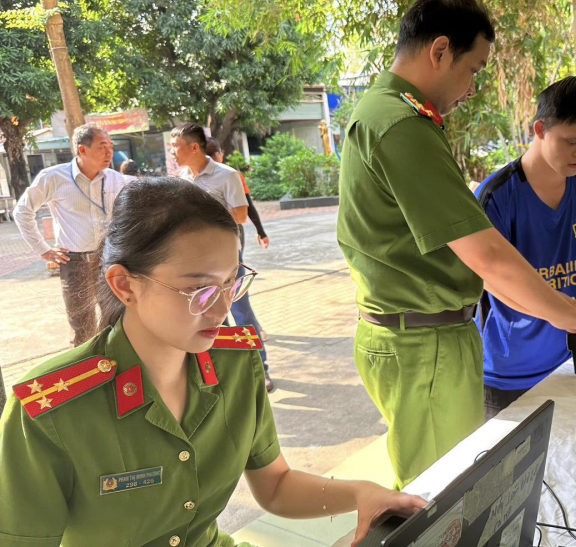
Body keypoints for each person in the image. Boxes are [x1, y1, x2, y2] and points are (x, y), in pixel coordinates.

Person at [0, 177, 424, 547]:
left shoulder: (235, 364)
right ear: (125, 285)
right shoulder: (51, 411)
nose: (222, 310)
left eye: (231, 283)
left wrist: (361, 494)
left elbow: (275, 485)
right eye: (199, 290)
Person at [337, 0, 576, 489]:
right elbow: (487, 256)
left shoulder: (389, 113)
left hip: (431, 335)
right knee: (438, 495)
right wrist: (573, 315)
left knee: (454, 484)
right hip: (423, 341)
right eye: (474, 69)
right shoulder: (400, 124)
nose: (471, 88)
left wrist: (572, 317)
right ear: (440, 50)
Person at [476, 76, 576, 418]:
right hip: (509, 371)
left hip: (568, 360)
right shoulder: (497, 196)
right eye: (571, 141)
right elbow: (491, 279)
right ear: (540, 129)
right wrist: (564, 315)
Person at [171, 124, 274, 392]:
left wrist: (203, 218)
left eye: (176, 147)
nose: (172, 152)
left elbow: (240, 215)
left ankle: (260, 368)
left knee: (240, 312)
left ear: (194, 147)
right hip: (195, 260)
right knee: (210, 316)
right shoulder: (182, 179)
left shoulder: (226, 175)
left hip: (226, 258)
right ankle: (223, 370)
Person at [13, 124, 134, 346]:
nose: (109, 152)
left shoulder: (115, 179)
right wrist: (43, 249)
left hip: (108, 260)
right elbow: (22, 211)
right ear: (82, 150)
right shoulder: (54, 177)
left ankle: (116, 361)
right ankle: (87, 365)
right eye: (102, 146)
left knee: (116, 319)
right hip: (75, 262)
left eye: (111, 146)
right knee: (83, 327)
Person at [206, 139, 270, 248]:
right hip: (231, 228)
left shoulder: (191, 176)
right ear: (218, 154)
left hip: (205, 231)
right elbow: (248, 206)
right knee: (235, 258)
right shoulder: (231, 174)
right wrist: (261, 231)